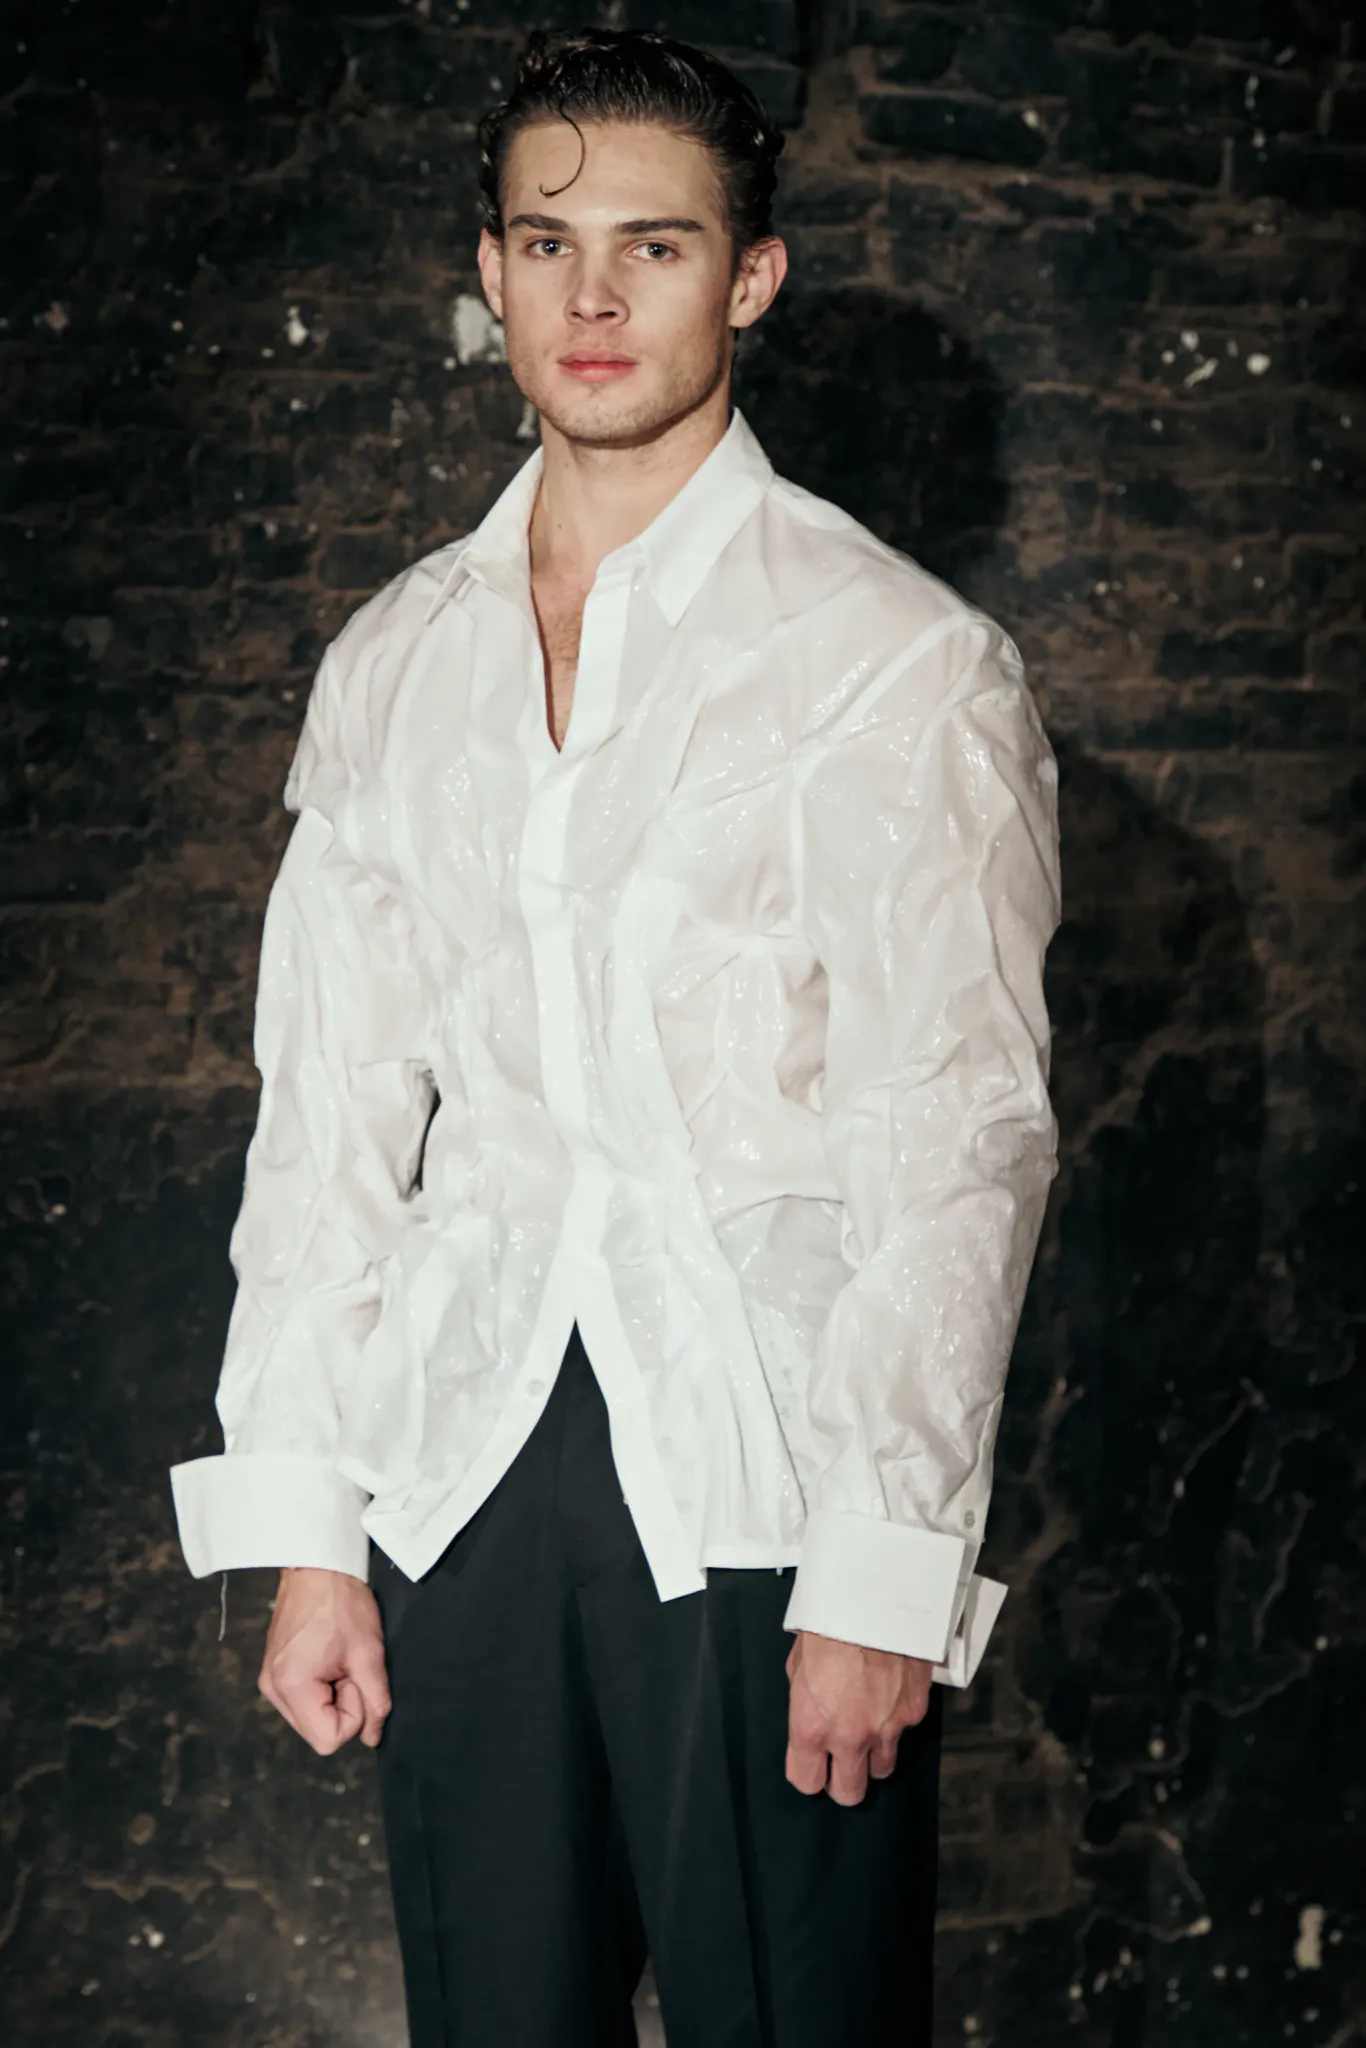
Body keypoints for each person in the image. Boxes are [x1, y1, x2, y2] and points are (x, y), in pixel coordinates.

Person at [170, 26, 1060, 2048]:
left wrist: (879, 1568)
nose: (593, 299)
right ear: (488, 269)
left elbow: (955, 1135)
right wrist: (307, 1529)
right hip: (463, 1460)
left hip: (759, 1472)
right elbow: (329, 1115)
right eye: (547, 244)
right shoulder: (395, 658)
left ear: (748, 277)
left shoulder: (895, 658)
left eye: (653, 246)